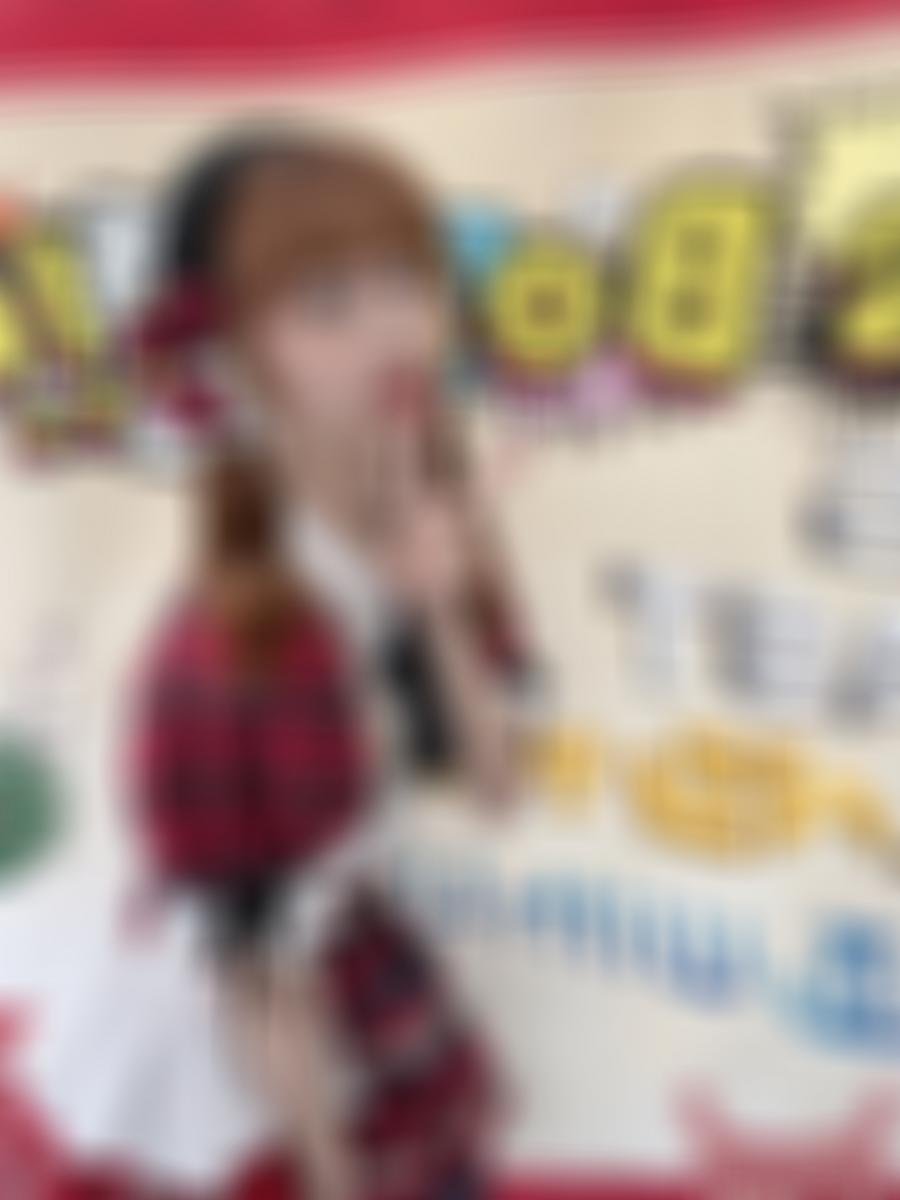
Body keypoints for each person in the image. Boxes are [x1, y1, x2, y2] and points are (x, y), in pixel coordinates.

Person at [0, 126, 534, 1199]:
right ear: (237, 350)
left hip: (338, 952)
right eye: (327, 302)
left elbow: (498, 787)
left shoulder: (425, 518)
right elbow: (257, 961)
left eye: (404, 280)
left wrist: (436, 607)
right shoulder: (232, 637)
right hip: (237, 1029)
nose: (390, 330)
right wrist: (330, 1175)